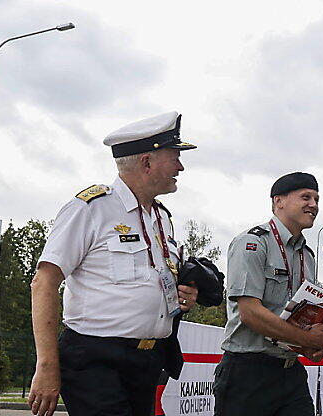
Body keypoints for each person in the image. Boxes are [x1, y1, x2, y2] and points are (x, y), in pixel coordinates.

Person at [28, 111, 200, 416]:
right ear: (147, 162)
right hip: (96, 361)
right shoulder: (90, 209)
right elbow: (44, 282)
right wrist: (47, 365)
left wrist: (181, 296)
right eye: (174, 157)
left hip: (147, 361)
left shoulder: (160, 218)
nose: (181, 167)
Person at [214, 172, 323, 416]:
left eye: (316, 199)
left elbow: (298, 315)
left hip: (290, 371)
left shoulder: (307, 255)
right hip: (248, 373)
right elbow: (250, 313)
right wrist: (306, 339)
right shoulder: (252, 243)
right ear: (278, 201)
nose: (313, 205)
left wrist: (315, 342)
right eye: (305, 197)